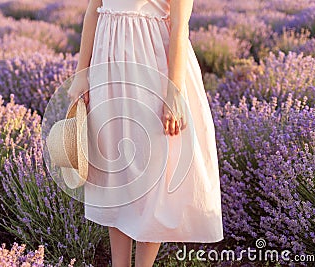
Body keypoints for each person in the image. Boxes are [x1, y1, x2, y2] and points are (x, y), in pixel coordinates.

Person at [67, 0, 224, 266]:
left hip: (152, 67)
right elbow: (94, 10)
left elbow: (179, 26)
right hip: (108, 67)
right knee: (115, 170)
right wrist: (81, 73)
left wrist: (173, 91)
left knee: (151, 172)